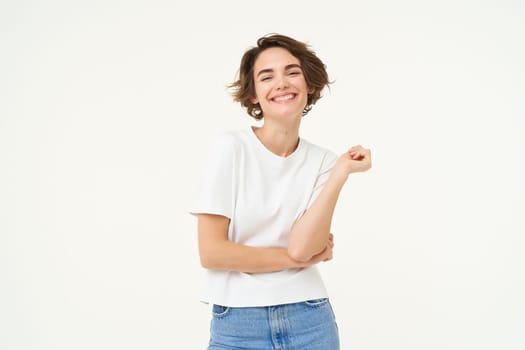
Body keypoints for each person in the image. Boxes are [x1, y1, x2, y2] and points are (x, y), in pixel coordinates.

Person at [190, 33, 371, 349]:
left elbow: (304, 249)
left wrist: (340, 173)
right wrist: (293, 258)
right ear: (253, 96)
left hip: (310, 319)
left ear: (309, 85)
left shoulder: (325, 162)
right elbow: (212, 253)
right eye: (266, 76)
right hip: (238, 323)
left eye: (292, 72)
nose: (282, 83)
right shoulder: (231, 149)